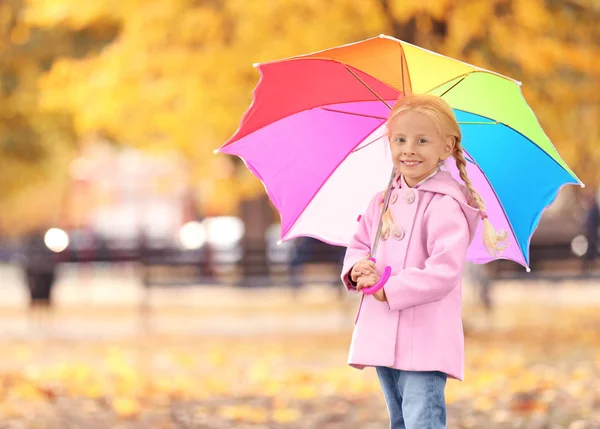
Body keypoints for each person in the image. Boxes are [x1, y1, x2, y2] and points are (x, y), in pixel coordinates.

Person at [340, 94, 507, 429]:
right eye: (400, 140)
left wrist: (390, 290)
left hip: (426, 334)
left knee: (422, 419)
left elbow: (444, 270)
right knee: (399, 418)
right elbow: (359, 244)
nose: (409, 149)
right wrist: (358, 268)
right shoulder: (381, 201)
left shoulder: (446, 204)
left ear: (446, 147)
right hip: (383, 330)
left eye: (422, 140)